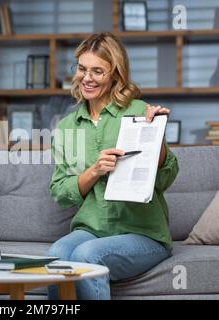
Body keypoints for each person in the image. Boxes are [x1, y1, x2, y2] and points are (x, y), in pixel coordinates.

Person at [47, 32, 179, 300]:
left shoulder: (138, 111)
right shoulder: (67, 127)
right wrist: (94, 170)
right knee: (56, 257)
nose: (87, 78)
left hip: (142, 233)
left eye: (98, 71)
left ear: (115, 76)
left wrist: (157, 136)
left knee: (87, 255)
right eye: (82, 69)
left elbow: (165, 178)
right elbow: (61, 193)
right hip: (92, 229)